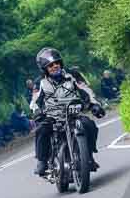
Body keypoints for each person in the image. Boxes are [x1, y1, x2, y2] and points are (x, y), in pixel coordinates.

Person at [30, 47, 105, 176]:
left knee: (89, 124)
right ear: (44, 69)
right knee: (41, 130)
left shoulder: (73, 75)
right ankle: (42, 161)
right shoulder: (40, 82)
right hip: (52, 116)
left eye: (57, 63)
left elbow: (86, 90)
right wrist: (37, 112)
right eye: (51, 65)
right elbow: (35, 101)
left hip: (73, 113)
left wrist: (94, 105)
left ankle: (89, 156)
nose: (55, 66)